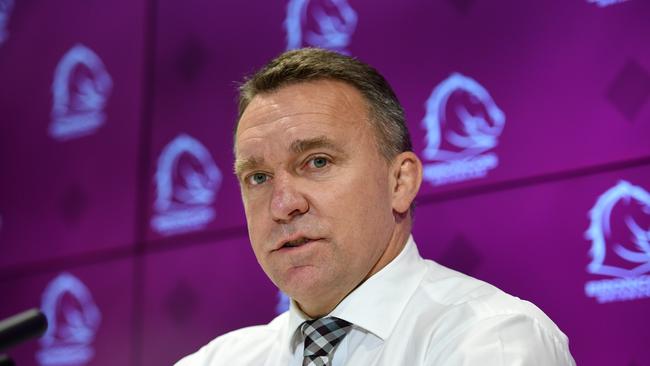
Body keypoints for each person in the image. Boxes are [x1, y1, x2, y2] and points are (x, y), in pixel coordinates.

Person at [176, 48, 576, 365]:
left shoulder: (492, 339)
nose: (283, 205)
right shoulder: (216, 360)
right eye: (258, 178)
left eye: (317, 162)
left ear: (399, 182)